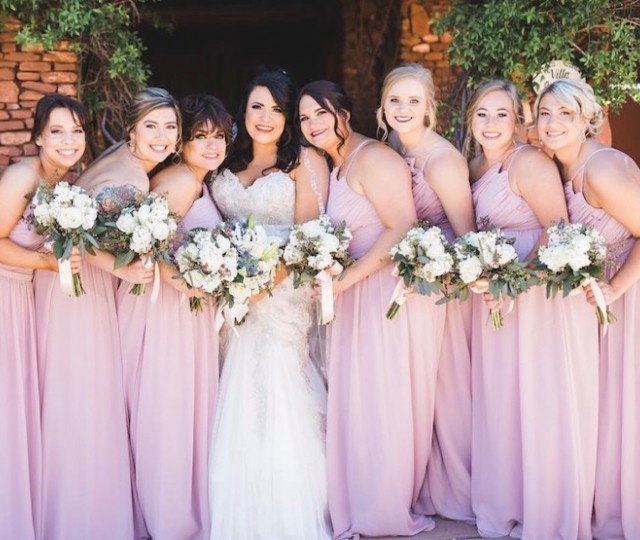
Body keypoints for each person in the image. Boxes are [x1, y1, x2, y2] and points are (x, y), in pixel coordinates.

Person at [34, 87, 180, 540]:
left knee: (79, 394)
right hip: (77, 290)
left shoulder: (125, 159)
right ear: (131, 130)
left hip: (76, 284)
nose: (162, 136)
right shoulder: (131, 181)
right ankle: (80, 520)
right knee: (84, 397)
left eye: (170, 126)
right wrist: (125, 268)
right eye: (151, 126)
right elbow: (68, 236)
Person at [298, 80, 435, 539]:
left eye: (321, 113)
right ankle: (361, 496)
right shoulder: (337, 166)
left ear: (344, 113)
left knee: (382, 399)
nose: (313, 124)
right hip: (354, 292)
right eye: (304, 118)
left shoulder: (374, 157)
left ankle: (383, 507)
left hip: (383, 294)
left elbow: (401, 227)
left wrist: (345, 280)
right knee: (360, 400)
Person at [467, 80, 599, 539]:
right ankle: (511, 500)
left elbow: (557, 228)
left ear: (519, 121)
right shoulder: (475, 165)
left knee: (541, 399)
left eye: (502, 114)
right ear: (470, 119)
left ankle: (550, 509)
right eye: (482, 113)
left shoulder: (529, 162)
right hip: (497, 293)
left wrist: (513, 281)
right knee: (505, 401)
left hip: (537, 292)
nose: (491, 124)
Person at [207, 69, 331, 540]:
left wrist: (256, 290)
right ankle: (232, 499)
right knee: (230, 386)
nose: (265, 117)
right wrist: (227, 281)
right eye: (257, 106)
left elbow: (307, 239)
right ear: (243, 109)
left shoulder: (304, 160)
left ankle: (285, 509)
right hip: (228, 292)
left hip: (281, 294)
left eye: (277, 109)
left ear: (289, 116)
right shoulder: (224, 158)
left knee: (276, 384)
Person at [120, 94, 231, 540]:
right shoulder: (182, 181)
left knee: (179, 409)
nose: (212, 145)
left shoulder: (197, 180)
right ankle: (167, 518)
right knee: (167, 410)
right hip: (166, 311)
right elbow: (148, 246)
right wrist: (189, 283)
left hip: (185, 310)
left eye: (219, 136)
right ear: (183, 142)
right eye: (200, 136)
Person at [535, 78, 640, 540]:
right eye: (545, 113)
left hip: (628, 292)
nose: (553, 123)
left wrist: (615, 289)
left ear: (587, 120)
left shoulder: (601, 169)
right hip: (599, 300)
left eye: (566, 114)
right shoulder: (561, 167)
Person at [377, 63, 476, 521]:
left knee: (445, 392)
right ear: (382, 106)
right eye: (395, 100)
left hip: (442, 291)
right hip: (407, 287)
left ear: (430, 108)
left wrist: (428, 265)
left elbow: (467, 239)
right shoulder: (393, 149)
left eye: (413, 101)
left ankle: (455, 487)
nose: (403, 109)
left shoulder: (441, 160)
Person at [0, 95, 86, 540]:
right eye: (57, 131)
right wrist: (48, 264)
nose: (69, 140)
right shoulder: (22, 176)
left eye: (77, 130)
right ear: (38, 137)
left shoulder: (65, 182)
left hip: (26, 298)